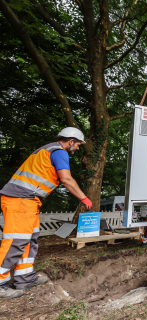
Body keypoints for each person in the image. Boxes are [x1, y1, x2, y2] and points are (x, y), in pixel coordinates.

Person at [0, 127, 92, 299]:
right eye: (78, 144)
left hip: (27, 200)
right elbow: (66, 179)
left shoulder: (47, 149)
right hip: (20, 199)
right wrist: (84, 198)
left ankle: (25, 278)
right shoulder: (59, 152)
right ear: (71, 141)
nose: (78, 148)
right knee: (16, 240)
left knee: (30, 238)